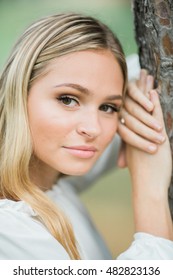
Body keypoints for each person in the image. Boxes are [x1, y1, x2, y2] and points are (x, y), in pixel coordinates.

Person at [0, 13, 172, 260]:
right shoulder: (7, 228)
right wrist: (150, 192)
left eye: (108, 107)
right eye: (68, 99)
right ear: (19, 93)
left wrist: (138, 94)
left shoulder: (48, 177)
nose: (93, 129)